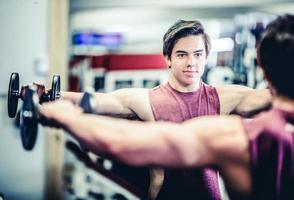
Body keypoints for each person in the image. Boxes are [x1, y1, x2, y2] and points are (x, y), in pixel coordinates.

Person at [41, 14, 294, 200]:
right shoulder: (146, 98)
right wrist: (52, 96)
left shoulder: (224, 98)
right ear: (168, 59)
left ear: (206, 57)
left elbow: (267, 96)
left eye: (197, 54)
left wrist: (66, 119)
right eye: (182, 55)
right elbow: (96, 100)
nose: (191, 62)